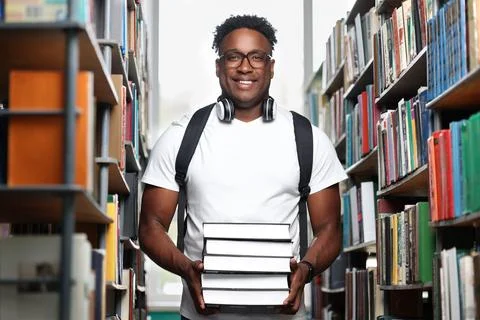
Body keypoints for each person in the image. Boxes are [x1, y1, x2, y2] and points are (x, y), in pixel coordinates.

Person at [139, 14, 347, 320]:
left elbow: (330, 228)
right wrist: (186, 269)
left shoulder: (309, 139)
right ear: (218, 66)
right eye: (233, 56)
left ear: (271, 67)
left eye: (256, 57)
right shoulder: (180, 137)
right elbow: (150, 227)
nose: (245, 67)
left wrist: (305, 270)